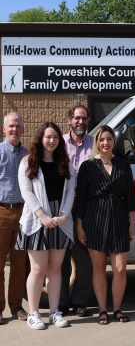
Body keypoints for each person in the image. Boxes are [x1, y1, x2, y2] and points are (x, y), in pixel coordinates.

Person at [16, 122, 76, 330]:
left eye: (56, 137)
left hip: (60, 220)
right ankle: (33, 313)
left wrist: (63, 215)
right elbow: (27, 192)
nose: (52, 141)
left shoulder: (65, 163)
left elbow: (70, 191)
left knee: (55, 269)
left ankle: (54, 312)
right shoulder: (28, 162)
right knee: (38, 269)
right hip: (36, 220)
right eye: (48, 137)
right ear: (40, 138)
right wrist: (42, 216)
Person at [76, 125, 135, 325]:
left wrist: (132, 222)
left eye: (109, 139)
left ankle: (117, 308)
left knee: (120, 268)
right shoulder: (87, 166)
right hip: (95, 219)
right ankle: (103, 310)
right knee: (99, 267)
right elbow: (81, 198)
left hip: (119, 217)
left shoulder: (123, 164)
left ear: (114, 142)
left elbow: (130, 195)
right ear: (97, 142)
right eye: (102, 139)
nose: (106, 143)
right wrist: (79, 225)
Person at [60, 104, 95, 317]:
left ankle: (81, 301)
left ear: (88, 120)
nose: (80, 122)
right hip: (63, 208)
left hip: (87, 208)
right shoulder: (59, 143)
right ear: (70, 120)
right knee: (61, 256)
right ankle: (62, 302)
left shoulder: (95, 144)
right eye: (77, 118)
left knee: (84, 257)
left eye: (84, 118)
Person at [0, 113, 29, 325]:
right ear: (4, 129)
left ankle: (17, 306)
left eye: (18, 126)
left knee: (20, 264)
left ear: (23, 130)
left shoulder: (28, 155)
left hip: (22, 213)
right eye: (11, 126)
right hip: (1, 212)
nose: (14, 129)